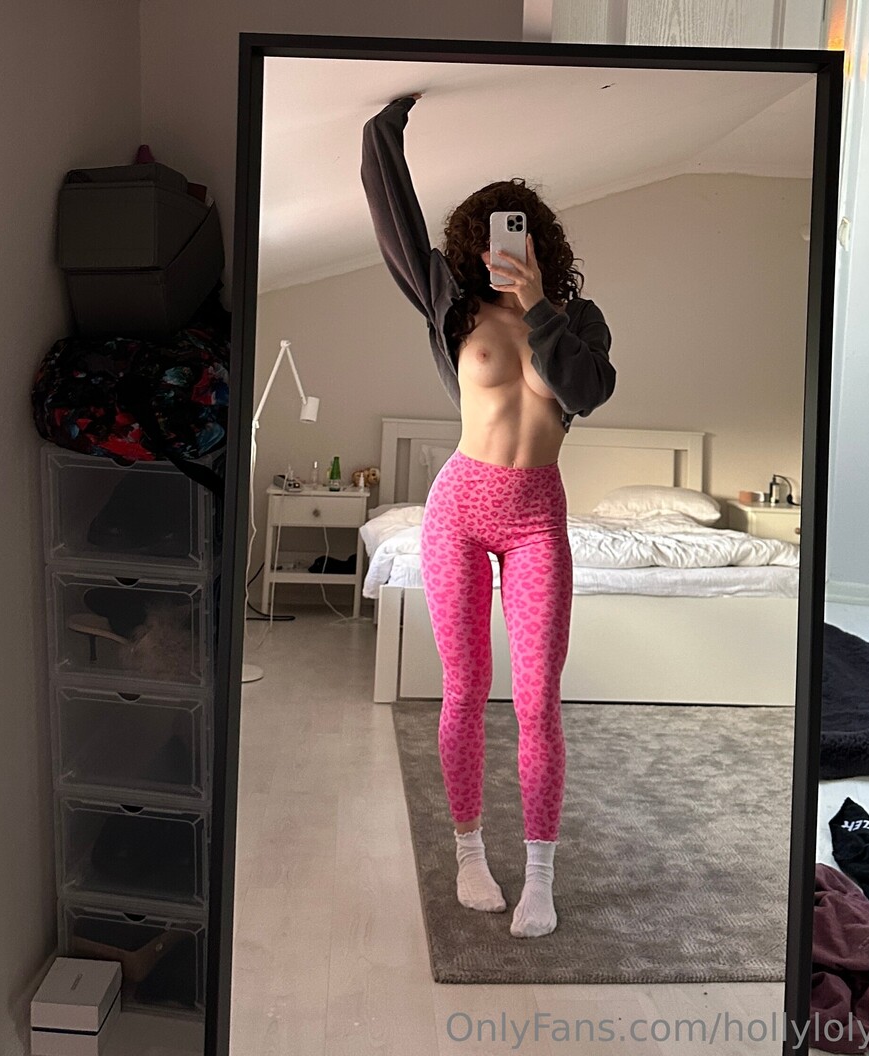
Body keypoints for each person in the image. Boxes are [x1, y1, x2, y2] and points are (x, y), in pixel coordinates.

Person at [361, 92, 616, 939]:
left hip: (537, 514)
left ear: (541, 243)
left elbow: (588, 391)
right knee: (465, 689)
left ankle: (540, 873)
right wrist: (385, 132)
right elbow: (398, 231)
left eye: (519, 234)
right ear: (474, 246)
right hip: (460, 509)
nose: (502, 248)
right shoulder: (454, 308)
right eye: (491, 237)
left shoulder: (578, 322)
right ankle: (469, 852)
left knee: (538, 700)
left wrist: (539, 303)